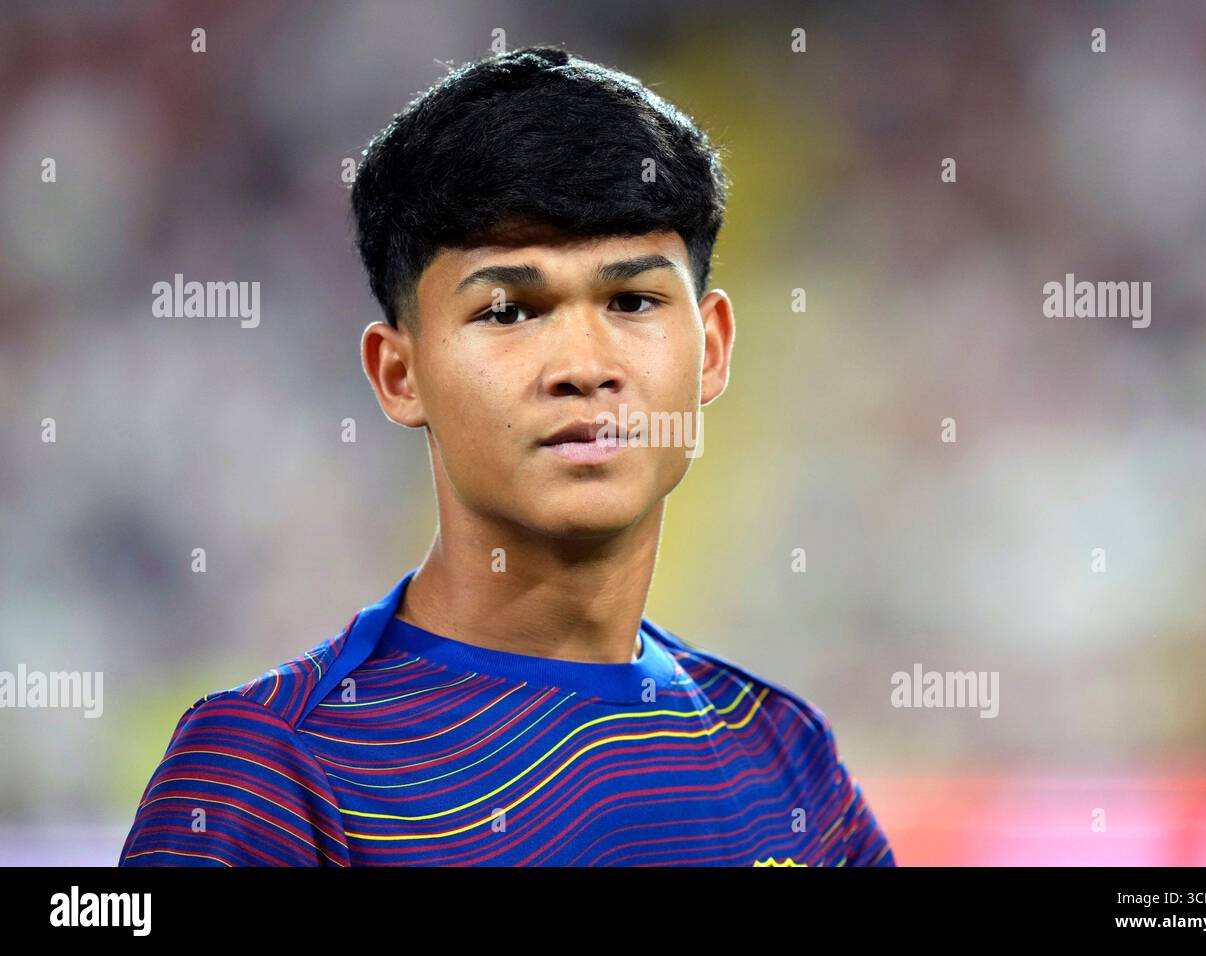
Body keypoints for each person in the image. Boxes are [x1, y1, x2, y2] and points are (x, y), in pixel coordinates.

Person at [119, 45, 894, 866]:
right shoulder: (268, 773)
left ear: (712, 349)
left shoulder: (788, 763)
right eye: (509, 312)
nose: (583, 367)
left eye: (632, 300)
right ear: (399, 373)